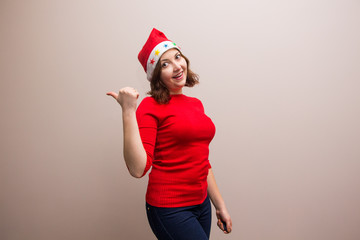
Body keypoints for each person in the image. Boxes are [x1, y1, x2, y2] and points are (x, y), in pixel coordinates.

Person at [107, 28, 232, 240]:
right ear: (156, 75)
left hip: (202, 205)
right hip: (170, 209)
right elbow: (138, 169)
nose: (176, 66)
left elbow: (202, 160)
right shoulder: (150, 106)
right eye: (165, 64)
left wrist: (220, 205)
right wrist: (128, 110)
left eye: (177, 57)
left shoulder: (196, 104)